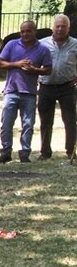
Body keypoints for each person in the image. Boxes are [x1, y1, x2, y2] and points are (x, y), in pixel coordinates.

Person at [0, 20, 52, 164]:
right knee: (6, 123)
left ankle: (25, 153)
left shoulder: (43, 49)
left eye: (28, 31)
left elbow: (48, 69)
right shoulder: (12, 45)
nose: (25, 34)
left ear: (35, 32)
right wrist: (17, 64)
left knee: (28, 124)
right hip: (11, 91)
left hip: (30, 92)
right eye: (22, 31)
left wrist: (35, 70)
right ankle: (6, 152)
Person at [37, 14, 77, 161]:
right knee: (46, 121)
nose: (60, 29)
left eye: (63, 27)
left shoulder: (75, 44)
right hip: (46, 86)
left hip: (67, 88)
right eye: (58, 26)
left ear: (68, 28)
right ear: (53, 27)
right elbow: (35, 62)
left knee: (70, 120)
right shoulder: (42, 44)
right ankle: (45, 152)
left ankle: (70, 151)